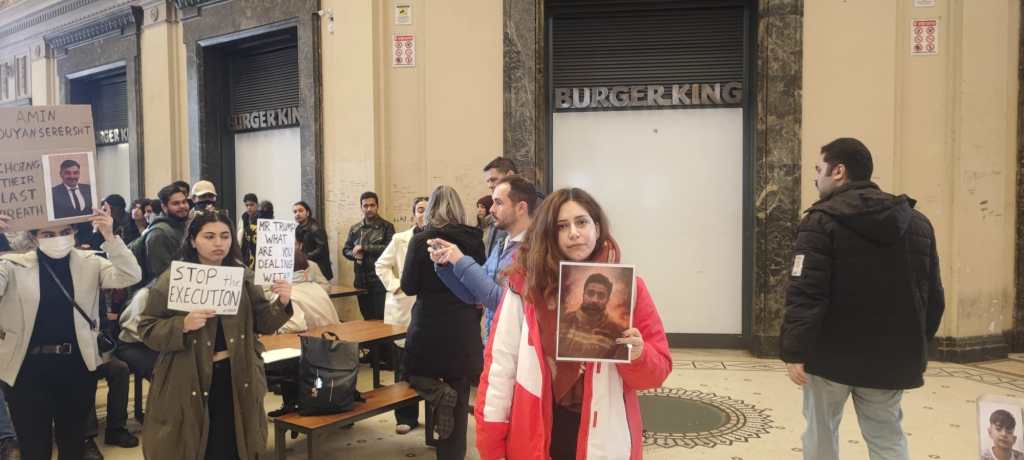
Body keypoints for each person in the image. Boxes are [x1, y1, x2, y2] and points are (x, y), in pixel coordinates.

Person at [475, 187, 672, 460]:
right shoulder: (525, 289)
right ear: (550, 234)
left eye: (581, 222)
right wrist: (491, 445)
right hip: (537, 429)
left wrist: (638, 354)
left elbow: (658, 371)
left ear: (597, 226)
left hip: (605, 436)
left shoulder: (630, 290)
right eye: (562, 226)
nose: (574, 233)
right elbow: (500, 368)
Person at [780, 138, 945, 460]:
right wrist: (915, 345)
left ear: (838, 170)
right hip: (890, 358)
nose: (816, 177)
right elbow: (932, 295)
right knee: (887, 437)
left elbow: (805, 293)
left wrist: (794, 350)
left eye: (819, 169)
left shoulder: (819, 221)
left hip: (828, 356)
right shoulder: (917, 223)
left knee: (820, 434)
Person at [138, 209, 293, 460]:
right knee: (195, 443)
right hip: (188, 375)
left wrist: (282, 302)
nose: (218, 243)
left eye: (224, 236)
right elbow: (147, 329)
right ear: (192, 240)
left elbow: (263, 322)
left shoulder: (242, 276)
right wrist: (182, 324)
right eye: (209, 236)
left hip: (237, 373)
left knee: (234, 442)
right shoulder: (175, 279)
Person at [0, 208, 142, 460]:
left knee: (73, 442)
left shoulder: (90, 262)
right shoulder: (12, 265)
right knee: (34, 446)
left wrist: (110, 236)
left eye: (65, 231)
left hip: (76, 365)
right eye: (48, 233)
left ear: (74, 233)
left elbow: (130, 275)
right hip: (26, 369)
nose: (58, 238)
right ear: (35, 237)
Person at [400, 185, 485, 459]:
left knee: (409, 371)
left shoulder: (421, 240)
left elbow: (409, 286)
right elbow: (479, 284)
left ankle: (436, 393)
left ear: (431, 208)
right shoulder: (475, 239)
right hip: (464, 325)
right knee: (459, 390)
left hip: (429, 325)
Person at [431, 176, 538, 346]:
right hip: (493, 341)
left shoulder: (533, 250)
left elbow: (500, 302)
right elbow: (474, 295)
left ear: (521, 208)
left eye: (498, 203)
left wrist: (460, 260)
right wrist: (445, 265)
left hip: (517, 347)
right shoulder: (503, 244)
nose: (491, 209)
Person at [375, 196, 428, 435]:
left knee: (429, 365)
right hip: (403, 305)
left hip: (429, 309)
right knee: (403, 365)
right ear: (412, 214)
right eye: (419, 210)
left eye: (428, 210)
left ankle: (434, 418)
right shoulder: (400, 239)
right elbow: (381, 265)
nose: (423, 214)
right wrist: (395, 285)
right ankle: (405, 416)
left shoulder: (439, 239)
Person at [343, 191, 396, 321]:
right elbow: (346, 250)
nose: (369, 209)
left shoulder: (387, 227)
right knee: (366, 317)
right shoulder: (355, 228)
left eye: (372, 205)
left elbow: (390, 249)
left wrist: (365, 248)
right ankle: (371, 343)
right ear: (361, 207)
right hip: (361, 279)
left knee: (381, 317)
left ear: (377, 206)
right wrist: (355, 254)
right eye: (365, 206)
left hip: (379, 279)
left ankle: (383, 342)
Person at [133, 184, 190, 285]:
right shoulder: (158, 234)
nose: (182, 206)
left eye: (184, 202)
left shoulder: (184, 225)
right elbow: (162, 275)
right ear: (164, 207)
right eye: (176, 203)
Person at [82, 355, 136, 458]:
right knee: (83, 374)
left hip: (96, 354)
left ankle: (116, 429)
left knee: (120, 368)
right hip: (74, 358)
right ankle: (86, 439)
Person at [481, 157, 517, 255]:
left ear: (510, 175)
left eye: (493, 180)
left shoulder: (534, 202)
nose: (490, 185)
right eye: (488, 181)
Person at [293, 201, 333, 281]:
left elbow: (322, 250)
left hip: (320, 271)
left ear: (307, 213)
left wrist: (304, 257)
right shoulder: (298, 228)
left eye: (300, 211)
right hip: (307, 269)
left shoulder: (316, 228)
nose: (297, 214)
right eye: (295, 212)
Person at [238, 193, 259, 269]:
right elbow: (240, 235)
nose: (249, 208)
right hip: (246, 251)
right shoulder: (244, 217)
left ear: (257, 205)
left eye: (251, 205)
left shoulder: (262, 217)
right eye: (247, 205)